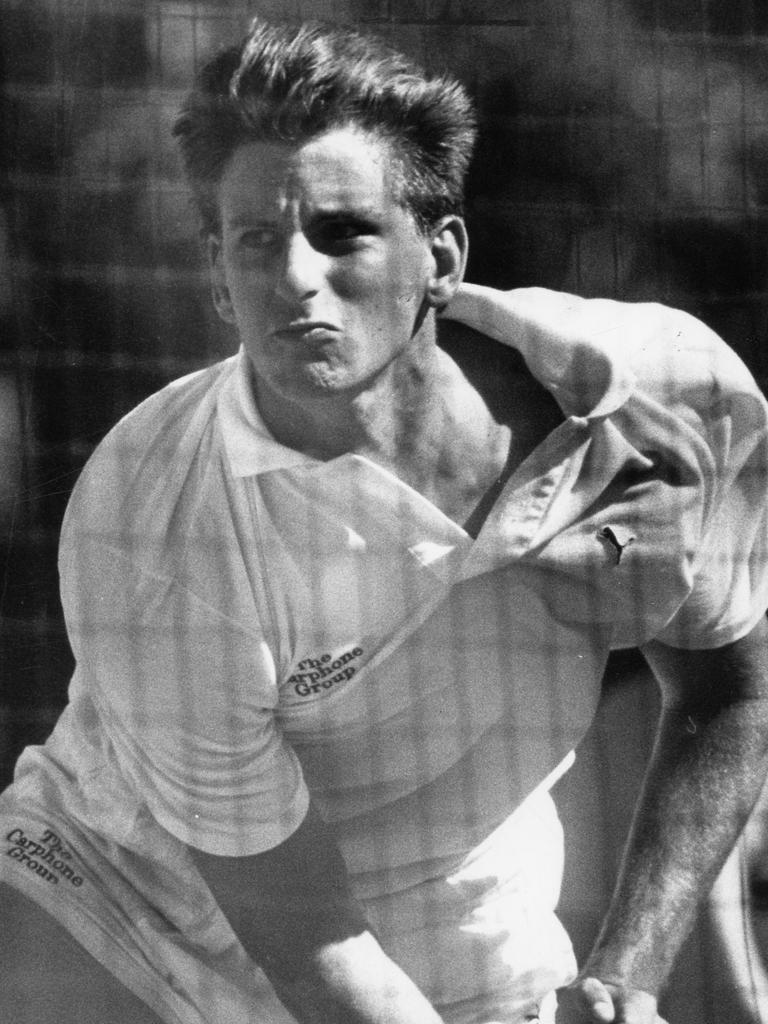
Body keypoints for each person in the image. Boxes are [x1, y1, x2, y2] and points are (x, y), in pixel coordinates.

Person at [2, 17, 768, 1024]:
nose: (296, 277)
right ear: (220, 279)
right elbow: (311, 940)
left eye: (343, 231)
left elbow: (725, 697)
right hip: (120, 921)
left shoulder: (671, 396)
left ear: (442, 256)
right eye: (258, 240)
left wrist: (626, 969)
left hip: (471, 950)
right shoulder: (150, 521)